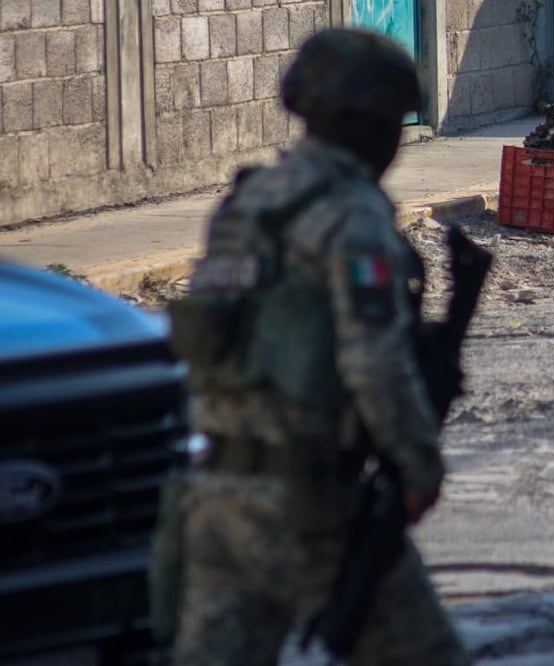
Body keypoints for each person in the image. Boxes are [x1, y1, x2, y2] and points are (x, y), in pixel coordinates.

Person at [159, 28, 471, 666]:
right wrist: (418, 465)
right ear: (380, 125)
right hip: (305, 504)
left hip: (213, 496)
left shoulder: (248, 203)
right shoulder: (353, 217)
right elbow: (373, 361)